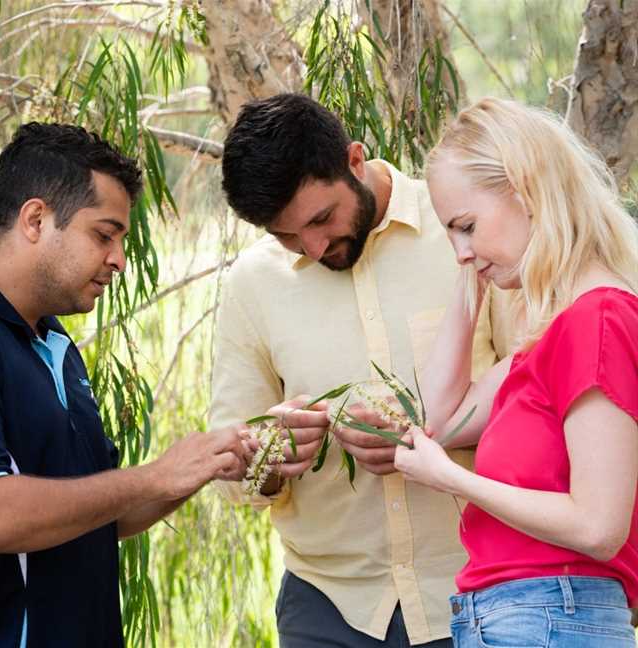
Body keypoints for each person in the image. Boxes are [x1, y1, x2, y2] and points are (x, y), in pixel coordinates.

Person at [0, 122, 248, 647]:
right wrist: (155, 476)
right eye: (103, 235)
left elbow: (99, 511)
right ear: (35, 219)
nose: (119, 260)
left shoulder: (54, 345)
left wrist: (209, 461)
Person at [212, 93, 513, 647]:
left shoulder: (464, 231)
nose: (313, 246)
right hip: (327, 607)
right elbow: (231, 460)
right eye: (286, 236)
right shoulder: (251, 286)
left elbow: (541, 385)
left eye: (322, 218)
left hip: (483, 592)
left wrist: (429, 428)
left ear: (354, 160)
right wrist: (268, 455)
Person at [393, 97, 638, 647]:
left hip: (549, 615)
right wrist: (470, 281)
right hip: (517, 617)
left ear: (526, 189)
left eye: (466, 225)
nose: (459, 250)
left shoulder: (597, 319)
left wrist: (453, 479)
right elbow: (439, 422)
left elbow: (599, 527)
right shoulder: (549, 336)